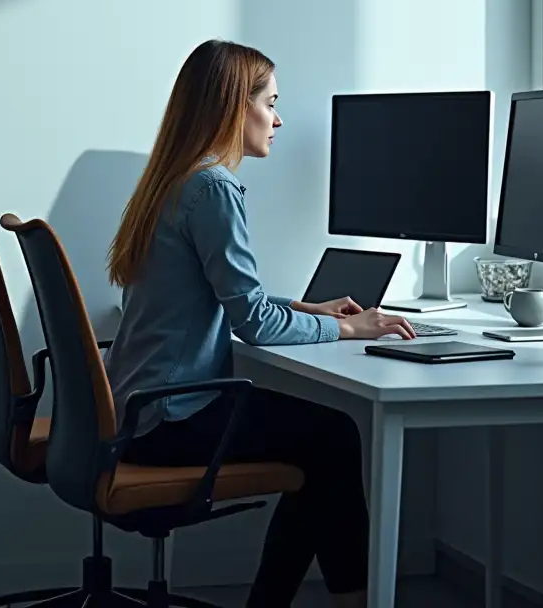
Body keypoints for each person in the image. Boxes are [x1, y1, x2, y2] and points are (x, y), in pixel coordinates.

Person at [104, 39, 416, 608]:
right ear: (233, 107)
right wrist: (349, 329)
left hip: (140, 407)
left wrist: (306, 309)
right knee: (334, 436)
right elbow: (252, 321)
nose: (278, 119)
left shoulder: (173, 182)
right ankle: (350, 599)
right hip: (173, 417)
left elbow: (222, 295)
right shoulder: (213, 187)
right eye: (270, 103)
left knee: (320, 447)